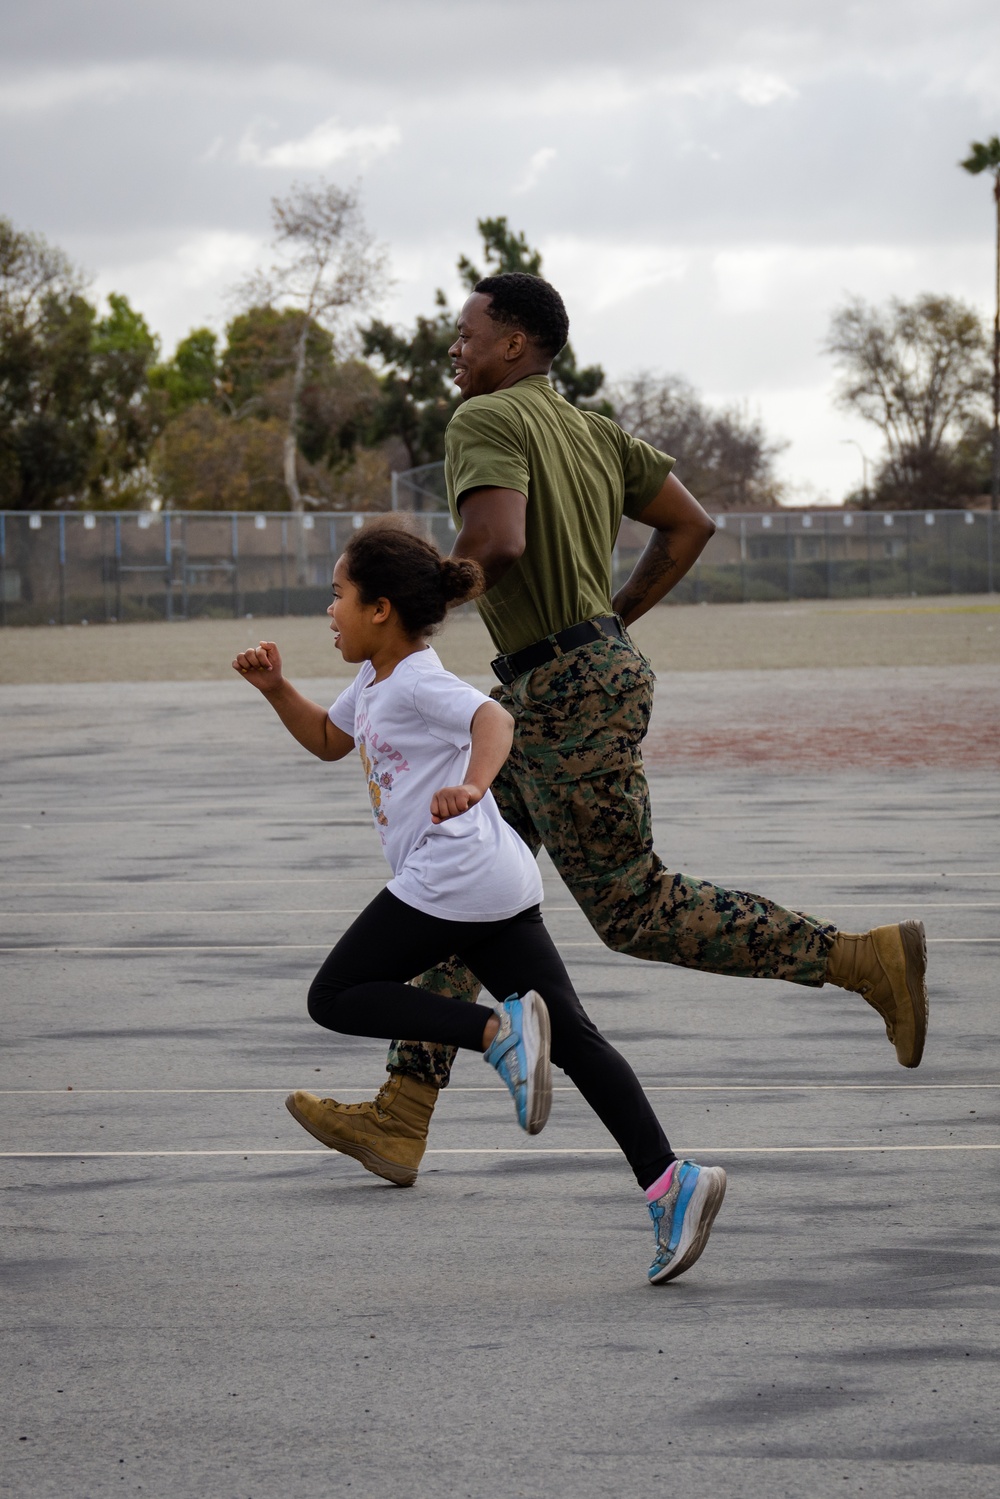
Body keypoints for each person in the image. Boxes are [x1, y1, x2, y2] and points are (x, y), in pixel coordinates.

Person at [290, 271, 928, 1212]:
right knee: (453, 874)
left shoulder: (485, 420)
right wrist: (612, 619)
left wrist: (425, 600)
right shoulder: (593, 432)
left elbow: (496, 539)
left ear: (516, 344)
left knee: (634, 906)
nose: (455, 349)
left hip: (559, 692)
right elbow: (690, 523)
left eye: (468, 332)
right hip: (572, 678)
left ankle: (861, 959)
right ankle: (401, 1109)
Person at [233, 517, 727, 1285]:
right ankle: (673, 1183)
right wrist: (275, 689)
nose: (328, 610)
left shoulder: (421, 677)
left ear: (381, 609)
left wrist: (475, 782)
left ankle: (495, 1032)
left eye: (338, 596)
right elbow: (330, 742)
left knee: (334, 995)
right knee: (578, 1041)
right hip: (494, 879)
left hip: (451, 877)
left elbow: (493, 717)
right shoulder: (374, 679)